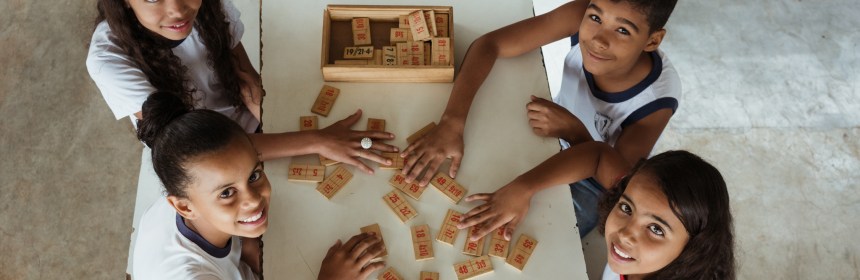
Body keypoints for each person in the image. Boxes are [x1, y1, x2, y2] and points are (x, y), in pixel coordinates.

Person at [401, 0, 680, 238]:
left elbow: (618, 189)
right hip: (555, 129)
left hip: (591, 180)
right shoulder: (584, 12)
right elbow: (490, 44)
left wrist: (574, 133)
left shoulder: (654, 103)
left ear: (652, 41)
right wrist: (452, 121)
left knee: (531, 235)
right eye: (596, 18)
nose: (598, 39)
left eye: (622, 30)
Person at [87, 0, 395, 171]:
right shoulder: (108, 58)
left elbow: (245, 81)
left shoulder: (206, 7)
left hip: (248, 131)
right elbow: (197, 153)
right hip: (199, 158)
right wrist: (316, 140)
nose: (178, 10)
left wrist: (281, 126)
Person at [132, 92, 386, 279]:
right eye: (227, 193)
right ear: (184, 207)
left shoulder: (186, 188)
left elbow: (238, 154)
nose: (254, 200)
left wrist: (244, 245)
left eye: (254, 176)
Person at [596, 151, 735, 279]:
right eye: (626, 208)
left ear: (693, 249)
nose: (625, 235)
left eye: (656, 229)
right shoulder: (631, 261)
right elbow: (599, 156)